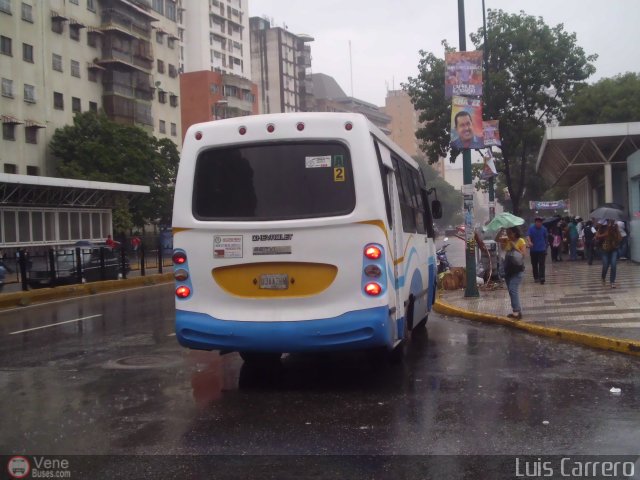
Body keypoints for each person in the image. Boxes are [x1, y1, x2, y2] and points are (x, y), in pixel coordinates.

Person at [499, 227, 526, 319]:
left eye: (510, 233)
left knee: (512, 288)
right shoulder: (506, 240)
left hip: (517, 270)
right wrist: (500, 231)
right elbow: (497, 240)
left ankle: (517, 312)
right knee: (511, 291)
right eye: (507, 232)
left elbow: (523, 255)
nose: (509, 235)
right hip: (508, 269)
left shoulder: (521, 241)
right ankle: (516, 310)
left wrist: (514, 246)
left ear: (515, 233)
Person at [595, 219, 622, 288]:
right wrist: (606, 233)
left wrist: (616, 229)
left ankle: (612, 282)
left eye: (612, 220)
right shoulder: (602, 226)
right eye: (610, 220)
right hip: (604, 249)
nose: (611, 221)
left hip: (614, 249)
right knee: (606, 265)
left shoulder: (615, 227)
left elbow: (620, 238)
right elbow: (597, 236)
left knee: (613, 265)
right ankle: (603, 277)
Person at [526, 217, 548, 284]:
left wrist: (546, 248)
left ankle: (542, 277)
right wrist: (529, 242)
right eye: (538, 222)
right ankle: (536, 277)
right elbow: (528, 236)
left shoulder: (544, 229)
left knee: (542, 264)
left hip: (542, 249)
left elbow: (546, 238)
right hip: (533, 250)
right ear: (535, 222)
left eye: (540, 222)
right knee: (534, 264)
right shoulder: (531, 228)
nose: (539, 223)